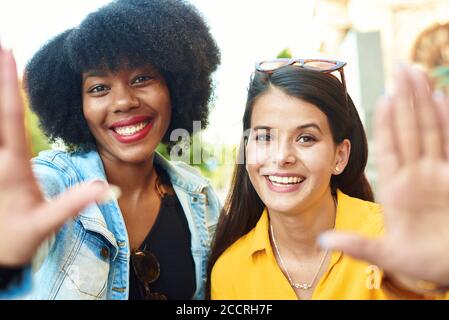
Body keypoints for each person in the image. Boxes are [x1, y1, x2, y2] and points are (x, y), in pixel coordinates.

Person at [0, 0, 221, 300]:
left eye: (142, 78)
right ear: (77, 106)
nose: (123, 102)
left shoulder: (200, 196)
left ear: (175, 87)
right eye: (99, 88)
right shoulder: (55, 183)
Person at [208, 59, 449, 299]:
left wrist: (424, 284)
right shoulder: (230, 271)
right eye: (265, 137)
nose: (282, 157)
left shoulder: (394, 237)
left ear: (340, 155)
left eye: (306, 138)